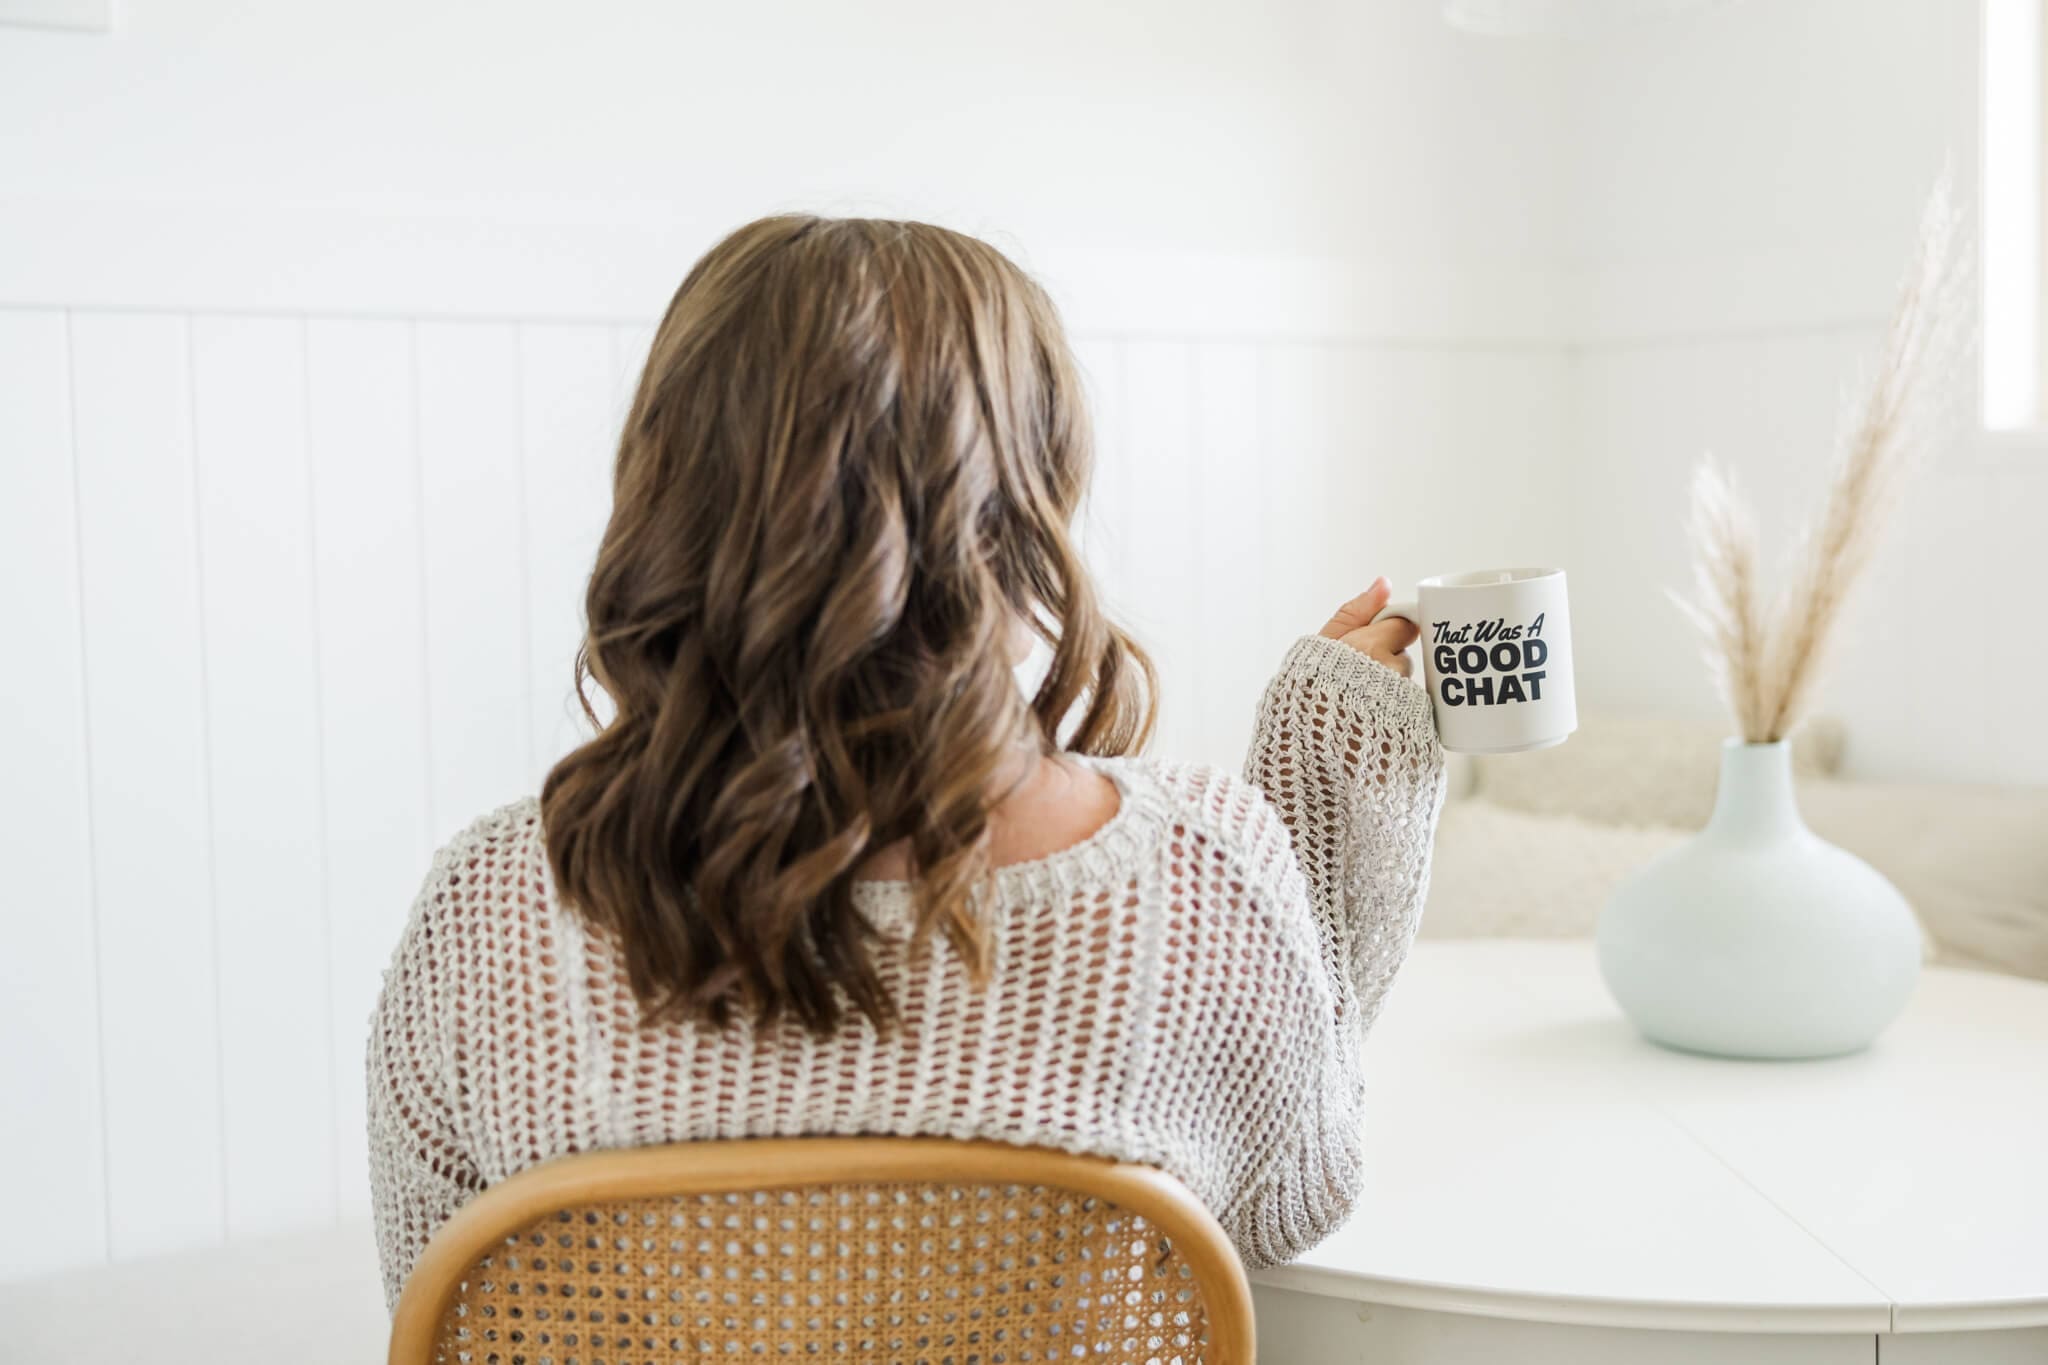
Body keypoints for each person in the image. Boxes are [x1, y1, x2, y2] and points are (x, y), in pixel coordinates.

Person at [366, 215, 1443, 1309]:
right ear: (1024, 512)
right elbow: (1291, 1196)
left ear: (667, 499)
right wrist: (1326, 770)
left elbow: (444, 1301)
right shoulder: (1204, 872)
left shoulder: (488, 910)